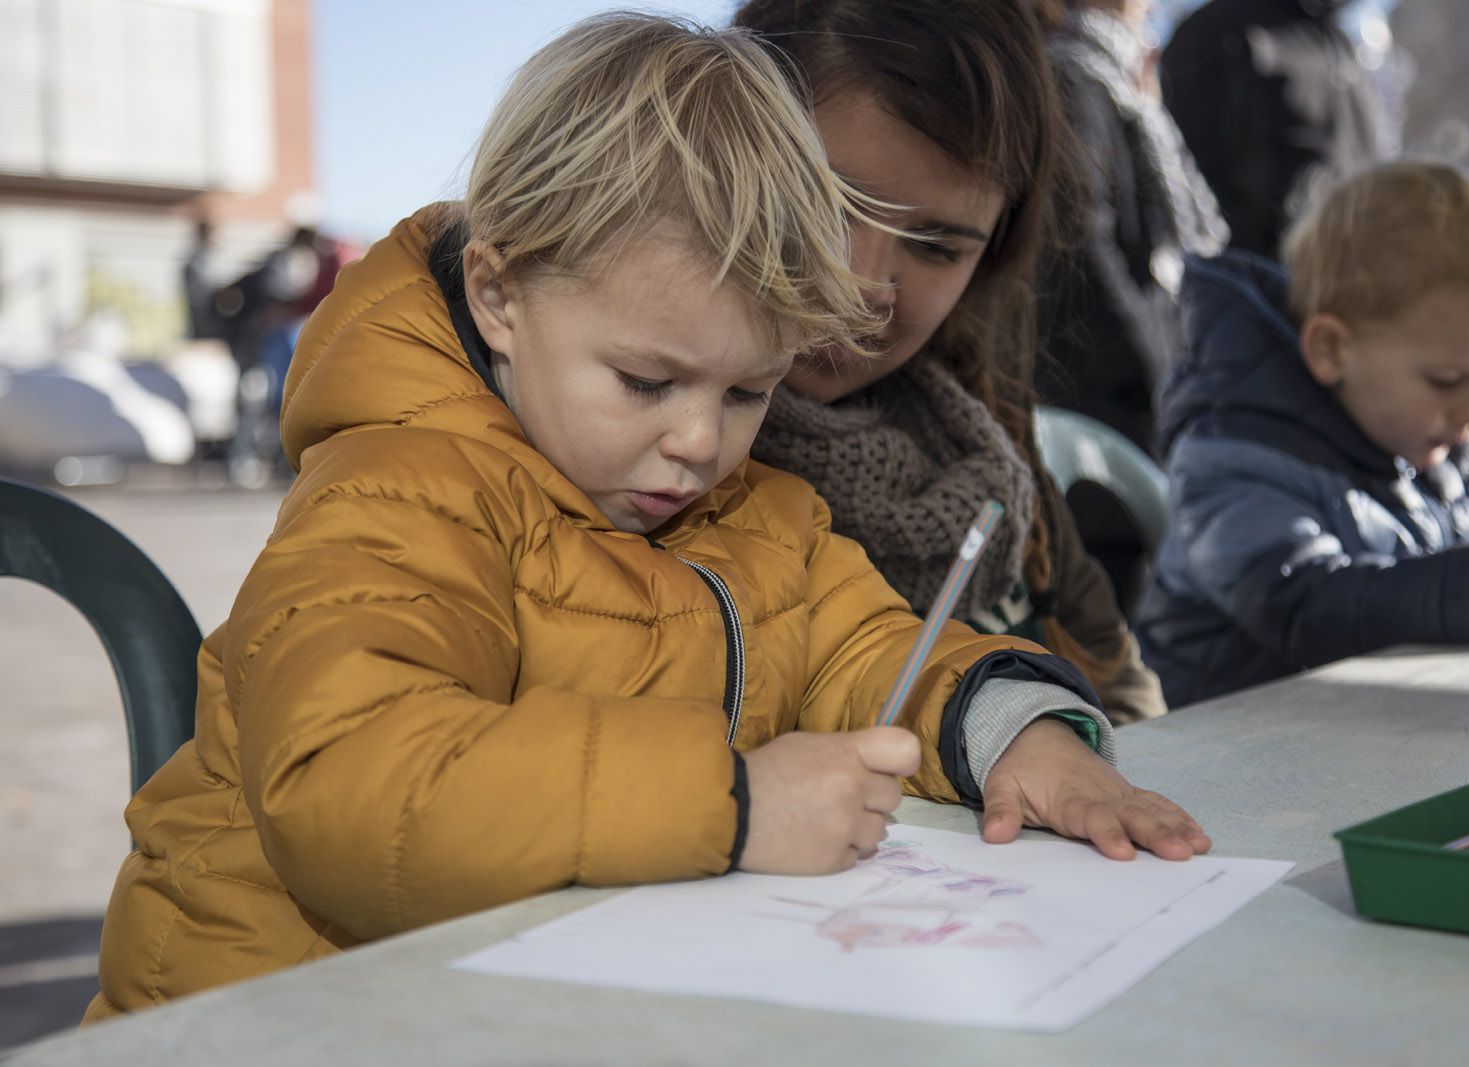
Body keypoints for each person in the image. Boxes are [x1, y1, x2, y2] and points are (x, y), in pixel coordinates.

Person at [87, 13, 1210, 1021]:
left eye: (745, 391)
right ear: (500, 295)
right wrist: (729, 803)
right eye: (644, 381)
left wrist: (1018, 731)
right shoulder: (397, 493)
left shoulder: (750, 508)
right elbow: (347, 779)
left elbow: (868, 648)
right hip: (275, 1018)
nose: (698, 441)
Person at [733, 0, 1167, 726]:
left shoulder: (980, 428)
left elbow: (1123, 694)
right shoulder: (616, 441)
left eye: (937, 247)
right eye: (825, 202)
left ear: (990, 263)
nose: (864, 284)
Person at [1136, 160, 1469, 708]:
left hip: (1386, 731)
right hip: (1234, 752)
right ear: (1332, 349)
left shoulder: (1450, 438)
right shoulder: (1231, 454)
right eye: (1447, 379)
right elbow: (1309, 605)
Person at [1032, 0, 1228, 460]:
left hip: (1147, 383)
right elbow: (1079, 241)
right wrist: (1152, 372)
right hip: (1104, 396)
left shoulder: (1125, 82)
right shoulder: (1072, 74)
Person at [1160, 0, 1381, 261]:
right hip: (1261, 279)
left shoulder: (1340, 41)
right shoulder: (1216, 31)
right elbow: (1184, 177)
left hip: (1355, 273)